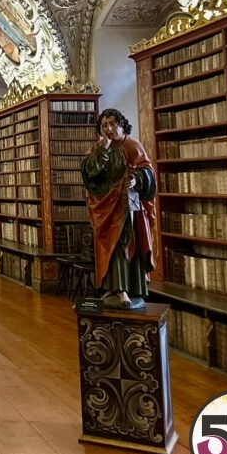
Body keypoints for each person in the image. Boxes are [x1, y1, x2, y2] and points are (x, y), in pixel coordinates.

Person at [81, 108, 156, 310]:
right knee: (109, 248)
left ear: (122, 125)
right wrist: (103, 151)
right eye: (104, 125)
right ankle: (111, 287)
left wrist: (137, 179)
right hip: (106, 207)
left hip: (127, 206)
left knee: (124, 244)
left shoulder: (132, 145)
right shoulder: (99, 148)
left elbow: (148, 172)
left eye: (113, 124)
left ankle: (126, 289)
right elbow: (89, 172)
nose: (109, 129)